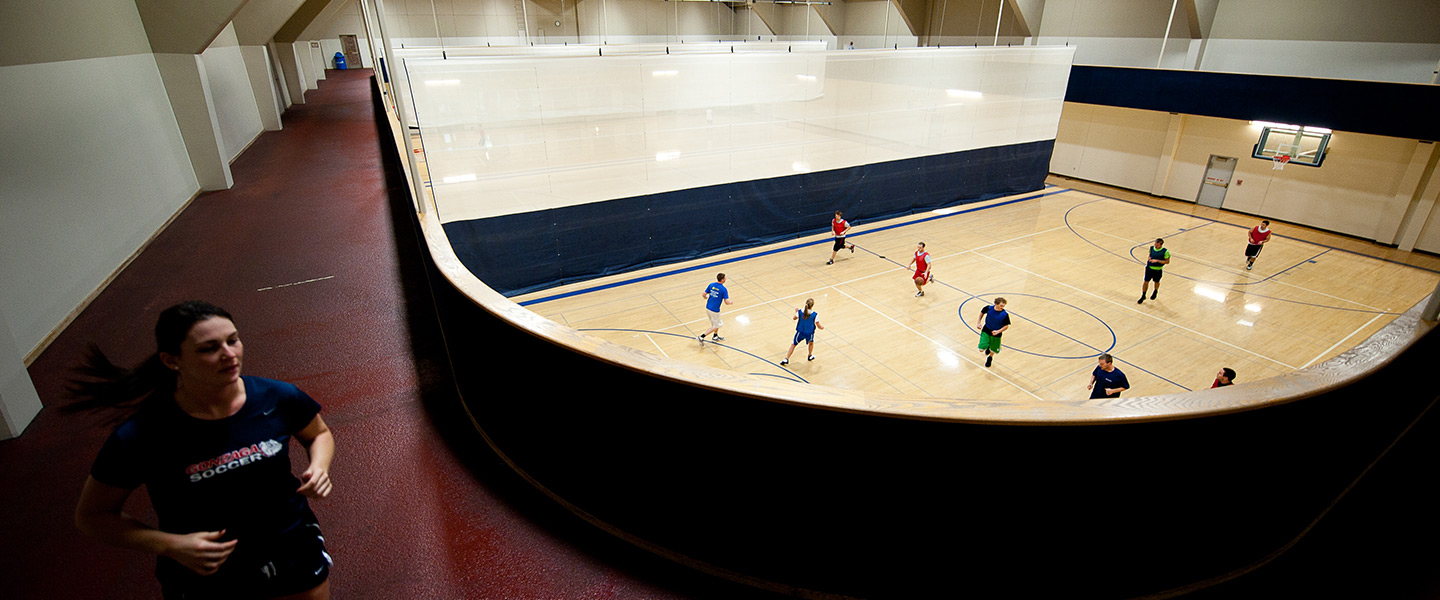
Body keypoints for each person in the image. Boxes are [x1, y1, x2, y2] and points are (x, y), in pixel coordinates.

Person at [71, 301, 335, 600]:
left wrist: (319, 466)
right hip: (208, 568)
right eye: (209, 348)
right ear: (172, 360)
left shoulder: (278, 397)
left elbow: (319, 434)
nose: (229, 354)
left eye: (233, 340)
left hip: (290, 543)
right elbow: (92, 516)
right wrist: (169, 545)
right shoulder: (142, 435)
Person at [780, 298, 825, 366]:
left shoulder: (800, 312)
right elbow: (818, 326)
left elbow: (794, 318)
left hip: (800, 332)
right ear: (812, 305)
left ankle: (786, 358)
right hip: (809, 333)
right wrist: (822, 327)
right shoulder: (815, 315)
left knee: (793, 344)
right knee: (811, 343)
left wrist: (796, 312)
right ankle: (810, 355)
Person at [975, 297, 1011, 368]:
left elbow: (1006, 326)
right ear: (996, 304)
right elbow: (982, 312)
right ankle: (988, 346)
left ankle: (990, 358)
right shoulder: (988, 308)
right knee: (981, 349)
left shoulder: (1005, 315)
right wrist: (979, 322)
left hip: (996, 333)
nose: (1002, 307)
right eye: (1001, 305)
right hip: (986, 329)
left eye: (1003, 306)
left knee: (994, 349)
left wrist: (998, 331)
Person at [700, 272, 733, 343]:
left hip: (708, 307)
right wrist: (730, 302)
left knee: (715, 324)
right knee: (718, 325)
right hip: (715, 310)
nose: (725, 279)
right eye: (725, 278)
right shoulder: (723, 289)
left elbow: (703, 294)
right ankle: (702, 336)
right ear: (722, 280)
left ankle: (715, 336)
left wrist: (705, 297)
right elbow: (726, 302)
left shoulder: (711, 285)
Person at [1138, 237, 1170, 304]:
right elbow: (1150, 255)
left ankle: (1155, 291)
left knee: (1156, 282)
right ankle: (1143, 295)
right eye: (1155, 244)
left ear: (1161, 245)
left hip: (1158, 270)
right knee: (1146, 282)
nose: (1155, 246)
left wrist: (1157, 260)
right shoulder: (1152, 248)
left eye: (1157, 245)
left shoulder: (1165, 251)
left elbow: (1167, 262)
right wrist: (1149, 258)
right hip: (1149, 268)